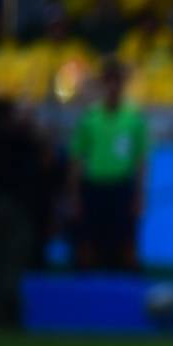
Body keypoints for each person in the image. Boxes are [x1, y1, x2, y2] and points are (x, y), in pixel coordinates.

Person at [70, 58, 149, 270]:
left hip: (122, 186)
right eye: (109, 81)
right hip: (94, 186)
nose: (113, 87)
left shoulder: (133, 119)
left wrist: (140, 195)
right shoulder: (90, 119)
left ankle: (125, 291)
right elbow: (77, 158)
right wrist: (75, 195)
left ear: (123, 85)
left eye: (118, 82)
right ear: (102, 84)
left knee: (126, 246)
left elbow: (141, 160)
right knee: (89, 245)